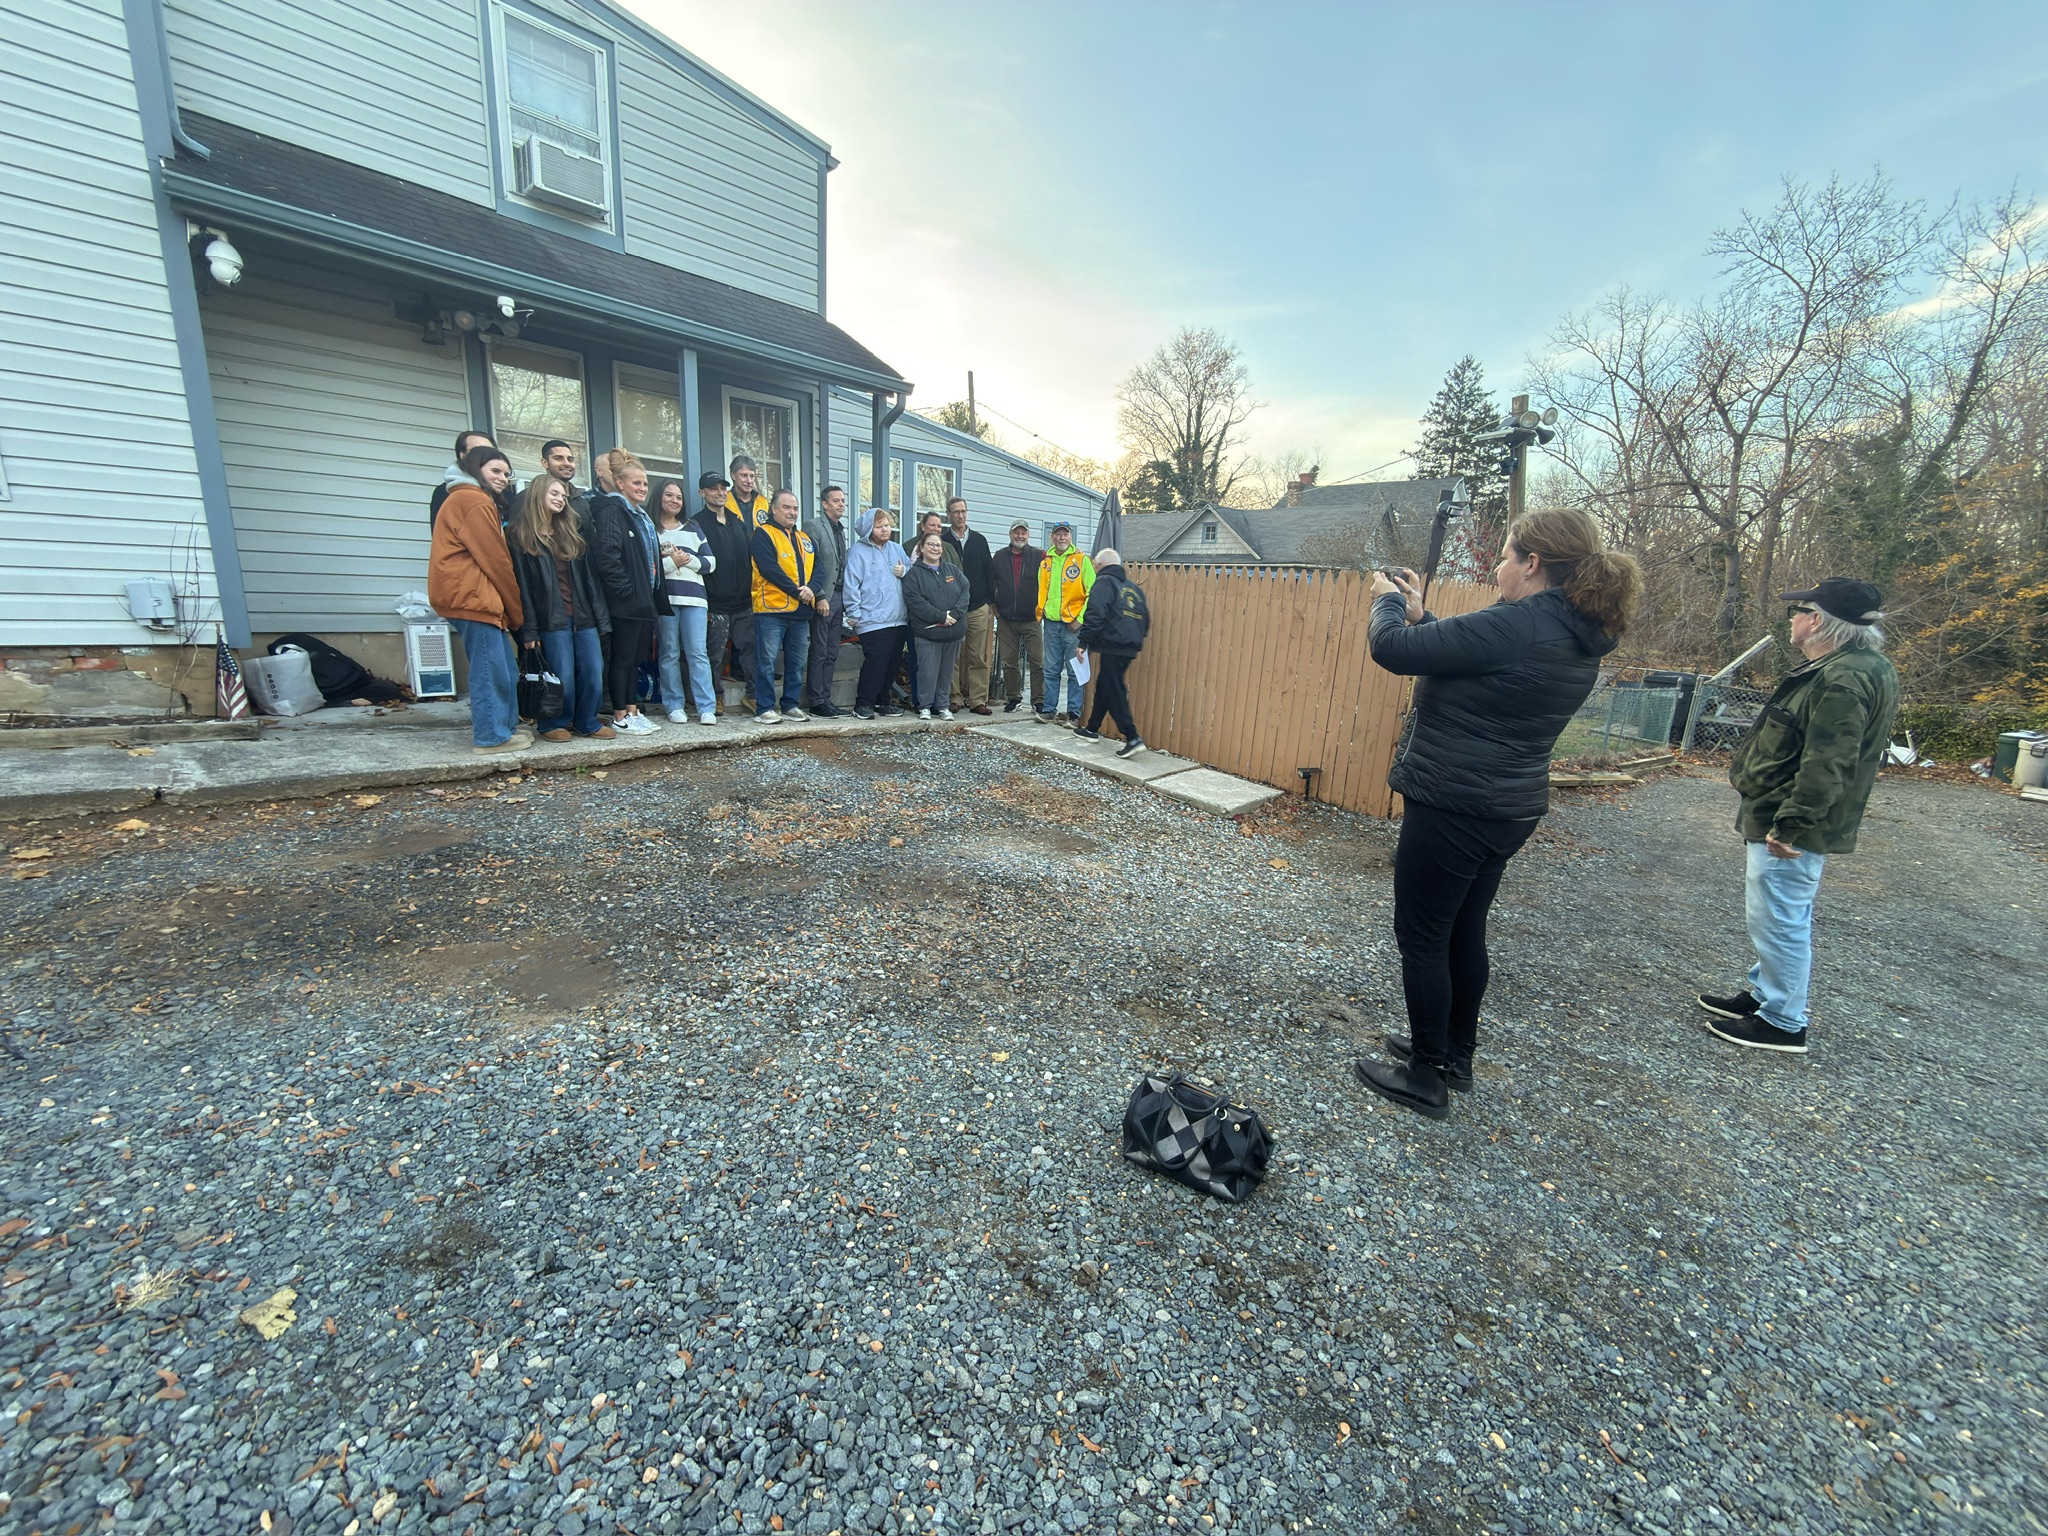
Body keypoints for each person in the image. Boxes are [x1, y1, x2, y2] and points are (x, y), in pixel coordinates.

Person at [1353, 508, 1643, 1121]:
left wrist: (1385, 603)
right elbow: (1471, 659)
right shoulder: (1573, 625)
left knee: (1423, 934)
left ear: (1533, 563)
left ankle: (1425, 1075)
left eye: (1506, 554)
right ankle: (1454, 1055)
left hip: (1456, 805)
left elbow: (1393, 650)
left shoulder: (1523, 622)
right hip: (1505, 808)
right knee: (1462, 929)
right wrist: (1423, 613)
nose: (1496, 566)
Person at [1699, 578, 1898, 1054]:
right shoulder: (1858, 666)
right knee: (1780, 914)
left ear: (1818, 621)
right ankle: (1767, 994)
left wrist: (1791, 823)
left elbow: (1829, 761)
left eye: (1800, 610)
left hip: (1790, 823)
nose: (1792, 618)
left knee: (1780, 918)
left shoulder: (1842, 678)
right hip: (1789, 814)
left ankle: (1783, 1021)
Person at [429, 445, 529, 754]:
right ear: (475, 470)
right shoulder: (471, 500)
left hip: (478, 599)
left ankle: (505, 727)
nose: (502, 478)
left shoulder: (470, 498)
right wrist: (516, 612)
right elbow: (496, 560)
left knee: (505, 670)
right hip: (473, 598)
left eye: (506, 473)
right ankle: (490, 737)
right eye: (495, 471)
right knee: (489, 670)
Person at [508, 474, 612, 742]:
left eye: (564, 496)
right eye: (554, 493)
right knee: (561, 675)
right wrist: (529, 631)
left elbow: (591, 582)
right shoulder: (521, 537)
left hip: (583, 616)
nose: (561, 499)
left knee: (593, 672)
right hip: (550, 619)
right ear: (538, 494)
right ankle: (554, 722)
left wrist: (602, 619)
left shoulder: (571, 535)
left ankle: (586, 721)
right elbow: (522, 589)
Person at [589, 449, 664, 735]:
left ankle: (632, 709)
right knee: (622, 658)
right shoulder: (611, 511)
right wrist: (627, 592)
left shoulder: (639, 516)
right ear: (620, 483)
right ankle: (619, 713)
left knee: (635, 659)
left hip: (643, 602)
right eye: (636, 483)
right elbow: (608, 556)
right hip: (626, 603)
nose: (643, 488)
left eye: (645, 483)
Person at [651, 478, 718, 725]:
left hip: (696, 600)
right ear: (659, 497)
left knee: (697, 652)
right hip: (665, 600)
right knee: (669, 652)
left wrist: (687, 559)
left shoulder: (693, 528)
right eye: (669, 495)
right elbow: (650, 568)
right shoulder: (651, 529)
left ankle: (706, 707)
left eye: (678, 497)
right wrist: (671, 563)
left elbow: (710, 563)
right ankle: (674, 705)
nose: (674, 501)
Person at [749, 488, 818, 723]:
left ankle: (790, 705)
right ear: (774, 509)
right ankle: (764, 708)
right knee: (766, 662)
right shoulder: (763, 534)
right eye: (786, 507)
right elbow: (769, 569)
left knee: (796, 663)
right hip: (771, 610)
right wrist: (799, 592)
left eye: (795, 508)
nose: (792, 512)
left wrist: (813, 589)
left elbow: (819, 569)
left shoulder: (805, 539)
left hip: (801, 612)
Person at [1073, 548, 1149, 757]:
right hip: (1129, 644)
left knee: (1114, 688)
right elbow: (1145, 618)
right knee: (1106, 684)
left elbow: (1096, 612)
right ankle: (1091, 729)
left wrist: (1084, 641)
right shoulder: (1133, 588)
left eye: (1096, 566)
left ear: (1100, 565)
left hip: (1113, 643)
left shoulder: (1104, 582)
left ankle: (1132, 736)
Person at [695, 469, 755, 713]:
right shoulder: (696, 524)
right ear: (703, 493)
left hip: (743, 602)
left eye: (723, 488)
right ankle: (714, 697)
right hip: (715, 603)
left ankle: (753, 695)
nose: (720, 493)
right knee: (714, 655)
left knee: (751, 651)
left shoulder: (738, 523)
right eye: (713, 488)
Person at [843, 507, 909, 719]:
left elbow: (913, 572)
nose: (885, 529)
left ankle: (883, 701)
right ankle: (863, 703)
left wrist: (905, 571)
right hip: (871, 619)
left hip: (898, 618)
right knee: (876, 660)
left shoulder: (897, 549)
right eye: (879, 526)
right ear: (868, 529)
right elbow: (851, 583)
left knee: (892, 662)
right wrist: (853, 613)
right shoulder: (857, 552)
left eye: (887, 525)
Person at [903, 529, 970, 721]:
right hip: (928, 634)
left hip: (953, 633)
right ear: (921, 548)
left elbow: (965, 590)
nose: (935, 548)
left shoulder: (952, 570)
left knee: (946, 672)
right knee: (927, 671)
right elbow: (915, 602)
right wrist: (940, 616)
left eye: (938, 545)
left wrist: (955, 615)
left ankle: (943, 706)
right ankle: (925, 706)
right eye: (930, 544)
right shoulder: (914, 575)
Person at [1036, 523, 1095, 725]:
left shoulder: (1081, 561)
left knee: (1074, 670)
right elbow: (1041, 591)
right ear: (1052, 537)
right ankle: (1049, 709)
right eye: (1058, 534)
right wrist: (1042, 612)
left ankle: (1073, 713)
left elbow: (1092, 593)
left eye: (1065, 534)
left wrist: (1080, 619)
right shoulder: (1045, 564)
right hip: (1051, 623)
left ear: (1071, 537)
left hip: (1073, 626)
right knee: (1051, 669)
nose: (1061, 538)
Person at [943, 497, 995, 714]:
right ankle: (954, 698)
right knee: (953, 656)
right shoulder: (942, 541)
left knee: (977, 656)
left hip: (977, 607)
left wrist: (991, 602)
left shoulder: (979, 540)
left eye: (963, 511)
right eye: (956, 512)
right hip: (952, 609)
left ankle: (978, 700)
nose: (961, 516)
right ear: (949, 514)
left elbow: (989, 572)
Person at [803, 485, 849, 716]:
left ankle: (827, 698)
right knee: (819, 650)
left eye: (843, 501)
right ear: (825, 504)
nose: (841, 504)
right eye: (836, 501)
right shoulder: (814, 526)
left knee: (832, 651)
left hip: (840, 596)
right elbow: (810, 563)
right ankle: (816, 700)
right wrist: (819, 595)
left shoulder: (841, 530)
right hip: (824, 596)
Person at [991, 521, 1045, 712]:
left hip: (1032, 618)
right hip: (1006, 619)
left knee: (1037, 661)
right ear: (1010, 534)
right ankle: (1014, 698)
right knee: (1009, 662)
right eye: (1016, 533)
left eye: (1023, 533)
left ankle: (1038, 700)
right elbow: (991, 582)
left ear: (1028, 535)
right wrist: (995, 609)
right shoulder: (999, 556)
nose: (1020, 536)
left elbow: (1054, 575)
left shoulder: (1039, 555)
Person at [429, 429, 494, 526]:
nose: (485, 455)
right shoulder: (447, 492)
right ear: (462, 455)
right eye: (478, 450)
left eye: (491, 452)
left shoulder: (502, 493)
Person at [539, 439, 592, 518]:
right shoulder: (529, 499)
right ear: (545, 463)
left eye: (570, 459)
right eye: (558, 458)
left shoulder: (581, 502)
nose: (567, 463)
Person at [727, 455, 770, 526]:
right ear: (733, 475)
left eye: (752, 476)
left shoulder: (763, 502)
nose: (749, 481)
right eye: (744, 475)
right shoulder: (724, 501)